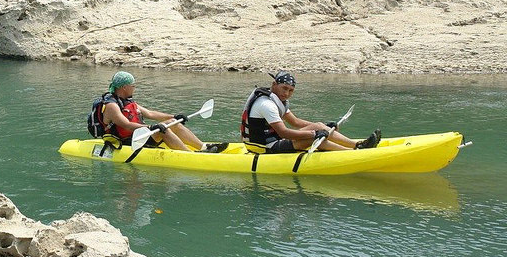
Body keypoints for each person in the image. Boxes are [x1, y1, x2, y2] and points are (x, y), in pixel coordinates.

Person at [240, 70, 381, 153]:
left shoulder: (277, 100)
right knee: (314, 137)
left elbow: (295, 122)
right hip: (264, 147)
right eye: (284, 88)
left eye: (291, 91)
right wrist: (315, 133)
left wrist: (324, 127)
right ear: (274, 85)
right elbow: (284, 132)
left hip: (274, 141)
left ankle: (358, 145)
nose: (287, 93)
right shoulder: (266, 104)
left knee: (319, 126)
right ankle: (351, 153)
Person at [95, 71, 228, 153]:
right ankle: (189, 154)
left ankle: (203, 147)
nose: (134, 88)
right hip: (129, 141)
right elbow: (126, 125)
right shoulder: (112, 105)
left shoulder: (126, 101)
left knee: (172, 123)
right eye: (133, 85)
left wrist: (174, 116)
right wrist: (151, 127)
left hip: (139, 136)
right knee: (162, 129)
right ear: (124, 87)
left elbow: (150, 114)